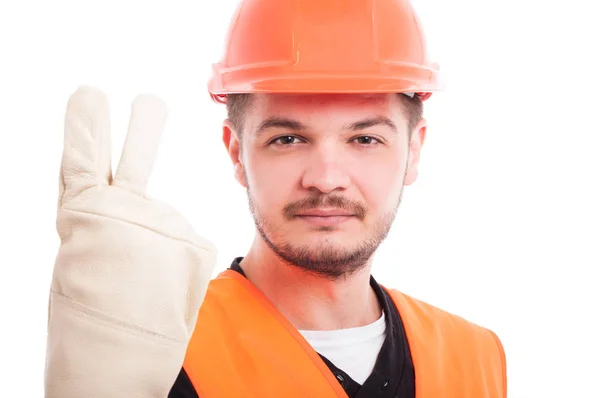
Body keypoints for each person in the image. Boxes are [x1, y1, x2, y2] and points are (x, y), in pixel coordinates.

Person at [44, 0, 507, 397]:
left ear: (414, 151)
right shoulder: (156, 346)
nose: (326, 179)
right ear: (236, 151)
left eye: (365, 140)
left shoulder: (476, 358)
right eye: (288, 139)